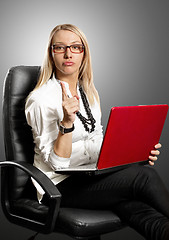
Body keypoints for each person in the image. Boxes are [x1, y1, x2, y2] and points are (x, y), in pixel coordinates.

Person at [25, 24, 169, 239]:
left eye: (76, 47)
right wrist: (66, 123)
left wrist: (134, 152)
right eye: (60, 47)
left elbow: (97, 139)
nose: (68, 54)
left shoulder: (88, 92)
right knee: (144, 177)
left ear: (84, 54)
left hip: (90, 174)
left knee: (139, 211)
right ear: (51, 53)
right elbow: (58, 165)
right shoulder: (40, 100)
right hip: (57, 187)